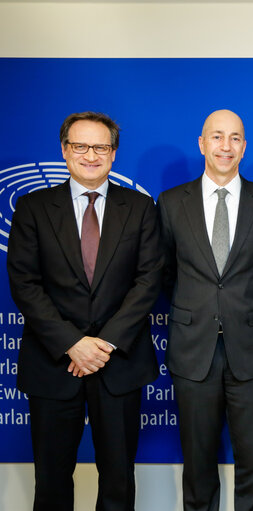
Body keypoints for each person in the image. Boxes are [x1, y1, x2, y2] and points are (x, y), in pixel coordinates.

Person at [6, 111, 163, 510]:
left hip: (119, 364)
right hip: (53, 363)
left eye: (101, 147)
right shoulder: (33, 207)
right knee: (52, 477)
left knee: (118, 478)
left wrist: (103, 344)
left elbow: (148, 282)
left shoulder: (141, 208)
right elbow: (24, 284)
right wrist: (73, 343)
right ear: (64, 150)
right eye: (81, 146)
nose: (91, 155)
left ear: (114, 154)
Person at [156, 109, 253, 511]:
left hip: (250, 349)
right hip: (193, 350)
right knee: (197, 462)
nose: (225, 146)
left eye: (234, 138)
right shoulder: (172, 201)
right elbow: (163, 273)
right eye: (216, 137)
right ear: (202, 143)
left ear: (244, 147)